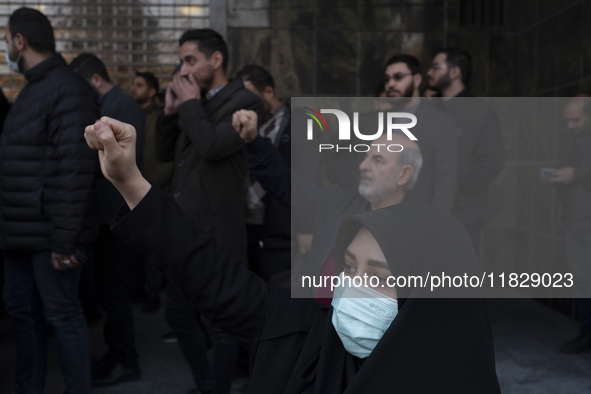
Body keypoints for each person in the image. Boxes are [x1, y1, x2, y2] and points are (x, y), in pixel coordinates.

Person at [84, 116, 501, 393]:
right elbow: (215, 276)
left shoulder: (451, 371)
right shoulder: (309, 337)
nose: (354, 290)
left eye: (379, 275)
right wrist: (131, 183)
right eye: (349, 268)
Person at [156, 28, 264, 394]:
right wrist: (171, 111)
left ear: (216, 60)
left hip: (217, 232)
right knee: (177, 314)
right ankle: (204, 384)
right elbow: (163, 152)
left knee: (220, 323)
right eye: (181, 60)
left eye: (190, 60)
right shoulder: (194, 100)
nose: (182, 70)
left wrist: (188, 103)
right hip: (182, 227)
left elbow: (212, 145)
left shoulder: (246, 100)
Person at [0, 7, 99, 393]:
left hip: (50, 236)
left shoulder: (68, 89)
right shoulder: (34, 86)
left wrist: (65, 241)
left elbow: (75, 171)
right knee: (23, 315)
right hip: (20, 233)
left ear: (19, 41)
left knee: (63, 316)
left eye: (7, 38)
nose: (6, 46)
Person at [233, 109, 422, 300]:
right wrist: (253, 141)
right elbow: (285, 183)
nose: (363, 166)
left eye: (377, 160)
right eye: (365, 157)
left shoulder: (420, 234)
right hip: (319, 324)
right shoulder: (335, 205)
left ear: (403, 174)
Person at [70, 52, 145, 387]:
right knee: (108, 288)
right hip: (110, 215)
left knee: (114, 290)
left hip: (118, 215)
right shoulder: (113, 104)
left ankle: (125, 359)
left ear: (95, 80)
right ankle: (117, 354)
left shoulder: (121, 106)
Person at [427, 48, 504, 252]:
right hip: (427, 209)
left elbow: (492, 162)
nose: (429, 72)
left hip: (464, 214)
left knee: (460, 276)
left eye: (436, 67)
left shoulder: (480, 113)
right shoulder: (430, 111)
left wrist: (455, 186)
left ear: (455, 72)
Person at [541, 96, 591, 353]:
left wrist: (577, 174)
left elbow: (581, 173)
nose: (570, 125)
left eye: (576, 119)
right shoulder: (578, 141)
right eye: (567, 121)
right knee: (583, 281)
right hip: (576, 221)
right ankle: (587, 333)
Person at [235, 65, 292, 284]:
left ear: (268, 92)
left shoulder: (298, 122)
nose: (245, 105)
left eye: (251, 97)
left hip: (279, 225)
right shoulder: (248, 122)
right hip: (245, 220)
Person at [383, 54, 459, 212]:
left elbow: (445, 181)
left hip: (420, 214)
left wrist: (437, 223)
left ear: (417, 80)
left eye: (398, 77)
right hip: (379, 213)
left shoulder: (440, 123)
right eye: (387, 78)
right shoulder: (379, 121)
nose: (390, 84)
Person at [130, 70, 172, 313]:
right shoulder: (134, 116)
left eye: (139, 85)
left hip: (154, 191)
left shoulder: (159, 118)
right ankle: (141, 289)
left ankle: (154, 293)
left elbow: (167, 158)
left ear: (152, 91)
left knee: (154, 247)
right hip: (134, 192)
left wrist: (151, 185)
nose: (133, 89)